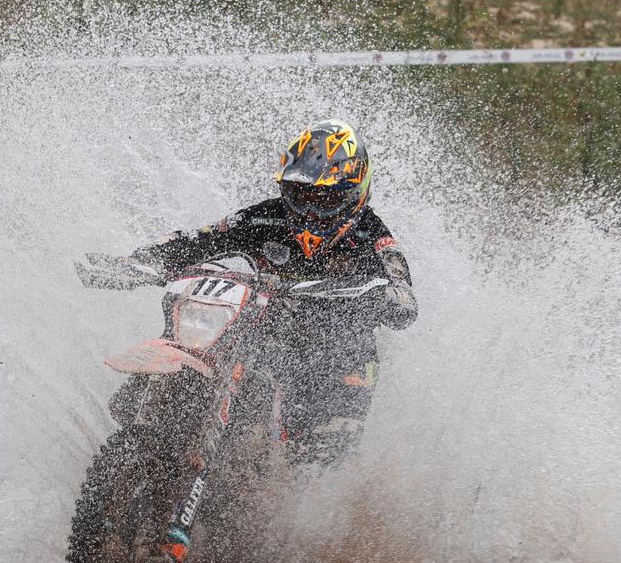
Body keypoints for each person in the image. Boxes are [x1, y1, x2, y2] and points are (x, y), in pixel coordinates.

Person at [128, 119, 417, 466]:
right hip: (266, 334)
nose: (310, 208)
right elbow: (200, 238)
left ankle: (297, 491)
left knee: (320, 456)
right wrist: (138, 261)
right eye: (301, 195)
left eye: (323, 198)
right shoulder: (266, 216)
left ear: (353, 193)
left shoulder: (374, 236)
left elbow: (402, 294)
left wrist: (384, 296)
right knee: (198, 331)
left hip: (334, 358)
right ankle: (153, 423)